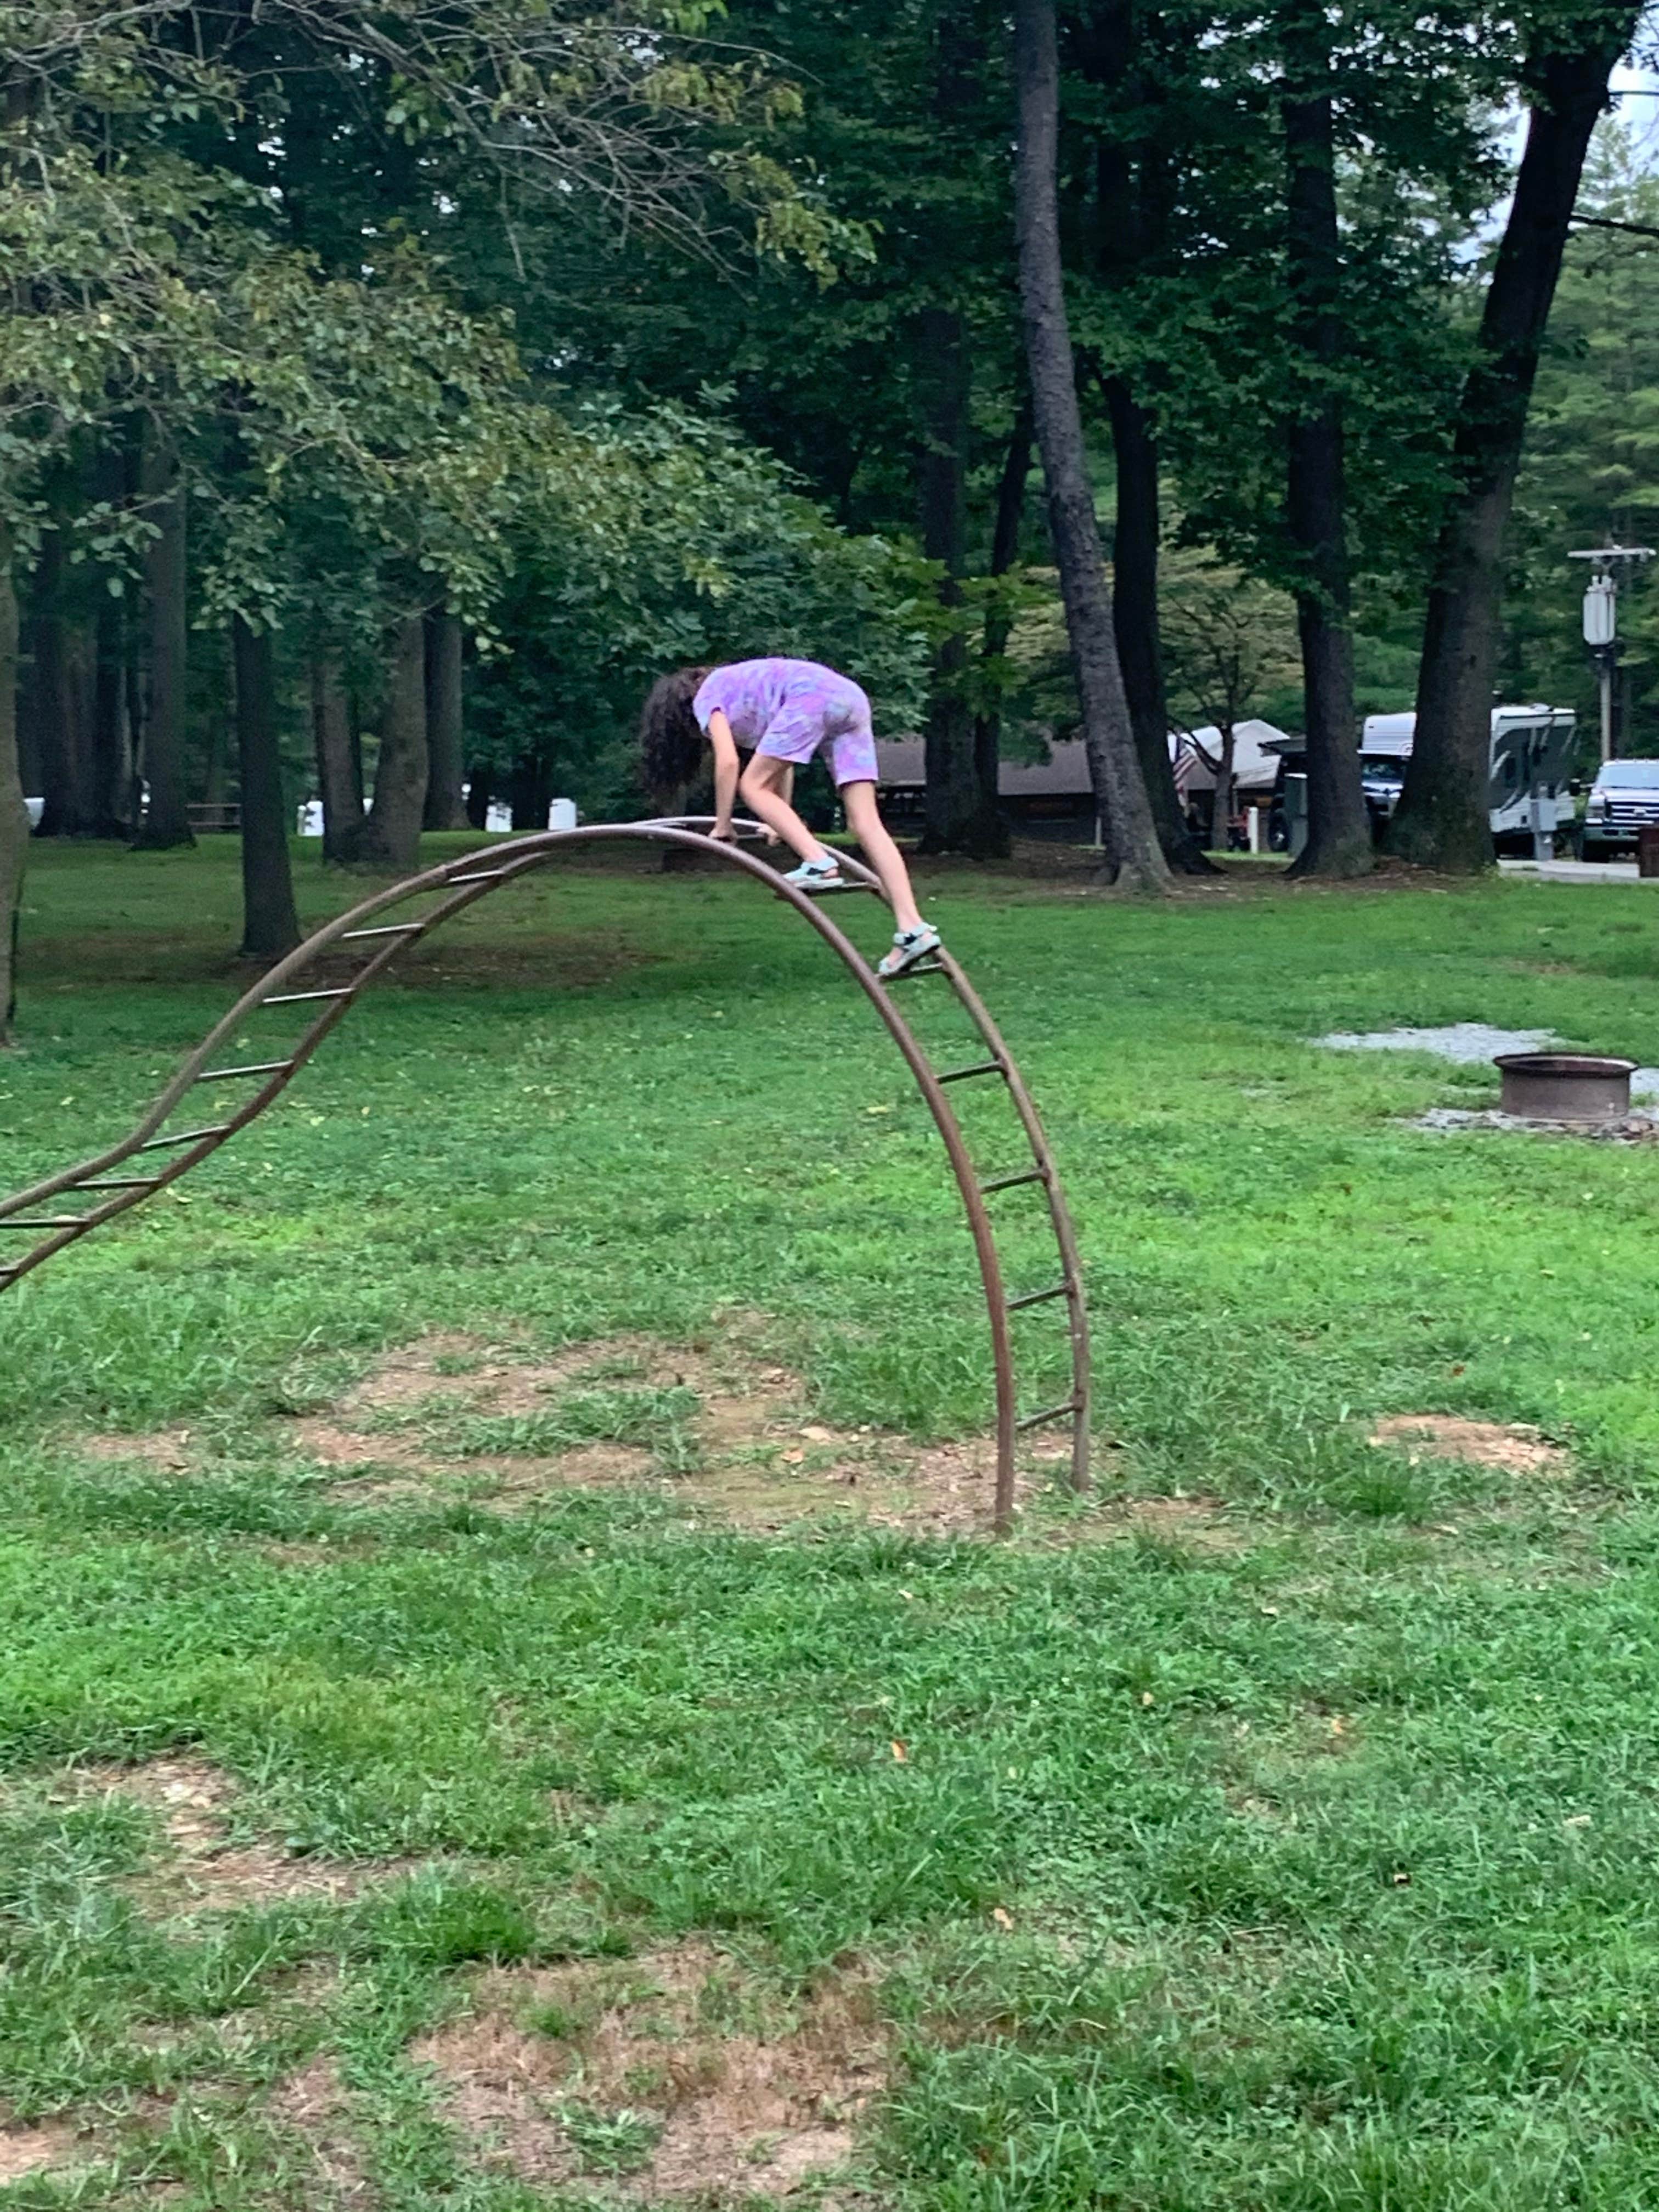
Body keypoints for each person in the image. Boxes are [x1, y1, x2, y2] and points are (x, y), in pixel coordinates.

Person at [639, 657, 943, 978]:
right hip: (850, 699)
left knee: (751, 785)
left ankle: (819, 864)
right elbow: (784, 764)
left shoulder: (706, 697)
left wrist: (723, 825)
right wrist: (777, 821)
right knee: (866, 824)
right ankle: (913, 930)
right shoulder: (748, 693)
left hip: (813, 697)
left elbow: (728, 763)